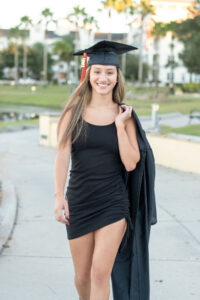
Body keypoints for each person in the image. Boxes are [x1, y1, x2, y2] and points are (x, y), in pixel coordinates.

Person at [54, 40, 141, 300]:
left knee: (100, 274)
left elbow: (130, 163)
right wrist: (59, 196)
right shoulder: (73, 113)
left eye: (109, 72)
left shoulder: (125, 115)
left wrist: (119, 126)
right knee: (82, 278)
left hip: (113, 203)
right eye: (98, 72)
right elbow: (62, 155)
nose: (103, 78)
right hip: (80, 200)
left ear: (117, 76)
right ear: (89, 74)